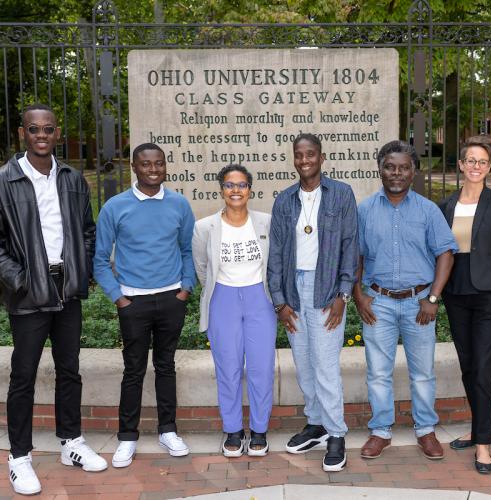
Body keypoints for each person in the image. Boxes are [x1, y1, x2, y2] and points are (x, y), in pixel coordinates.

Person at [0, 103, 106, 496]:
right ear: (22, 134)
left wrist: (79, 270)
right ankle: (19, 457)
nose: (42, 135)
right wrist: (22, 280)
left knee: (70, 370)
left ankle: (71, 443)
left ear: (57, 132)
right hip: (28, 292)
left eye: (48, 129)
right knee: (24, 376)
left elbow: (86, 230)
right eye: (34, 129)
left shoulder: (72, 179)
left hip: (66, 288)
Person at [353, 140, 457, 463]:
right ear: (380, 169)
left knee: (422, 373)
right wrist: (359, 295)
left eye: (403, 167)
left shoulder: (428, 211)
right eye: (390, 167)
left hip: (419, 304)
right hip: (378, 303)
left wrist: (433, 298)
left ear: (414, 172)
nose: (396, 173)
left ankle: (426, 429)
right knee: (378, 372)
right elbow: (355, 256)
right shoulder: (364, 210)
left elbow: (446, 254)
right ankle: (380, 430)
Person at [93, 142, 196, 468]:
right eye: (146, 164)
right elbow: (98, 259)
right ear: (134, 168)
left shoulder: (179, 204)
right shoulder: (115, 207)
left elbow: (187, 250)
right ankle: (127, 437)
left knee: (166, 366)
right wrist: (118, 298)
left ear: (165, 166)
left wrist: (186, 288)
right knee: (133, 370)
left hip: (171, 298)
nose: (153, 170)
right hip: (132, 301)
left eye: (159, 164)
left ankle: (168, 430)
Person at [267, 133, 358, 472]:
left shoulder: (341, 194)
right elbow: (275, 254)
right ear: (294, 159)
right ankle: (316, 423)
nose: (304, 160)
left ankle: (336, 434)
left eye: (310, 154)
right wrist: (279, 301)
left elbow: (351, 247)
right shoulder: (285, 200)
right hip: (293, 290)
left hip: (325, 290)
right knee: (304, 364)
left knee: (324, 364)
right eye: (298, 155)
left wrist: (343, 294)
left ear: (322, 157)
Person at [437, 136, 491, 474]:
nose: (475, 166)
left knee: (484, 370)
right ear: (461, 165)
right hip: (456, 295)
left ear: (489, 167)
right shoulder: (445, 206)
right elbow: (440, 251)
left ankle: (484, 445)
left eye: (481, 161)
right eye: (469, 160)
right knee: (469, 367)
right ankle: (476, 430)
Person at [192, 164, 276, 457]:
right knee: (227, 368)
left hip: (259, 298)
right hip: (223, 300)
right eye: (230, 185)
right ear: (222, 190)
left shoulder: (266, 222)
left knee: (261, 368)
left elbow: (274, 263)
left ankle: (259, 430)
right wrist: (219, 290)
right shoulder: (205, 227)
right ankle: (233, 430)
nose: (236, 190)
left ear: (250, 189)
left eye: (241, 185)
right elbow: (202, 267)